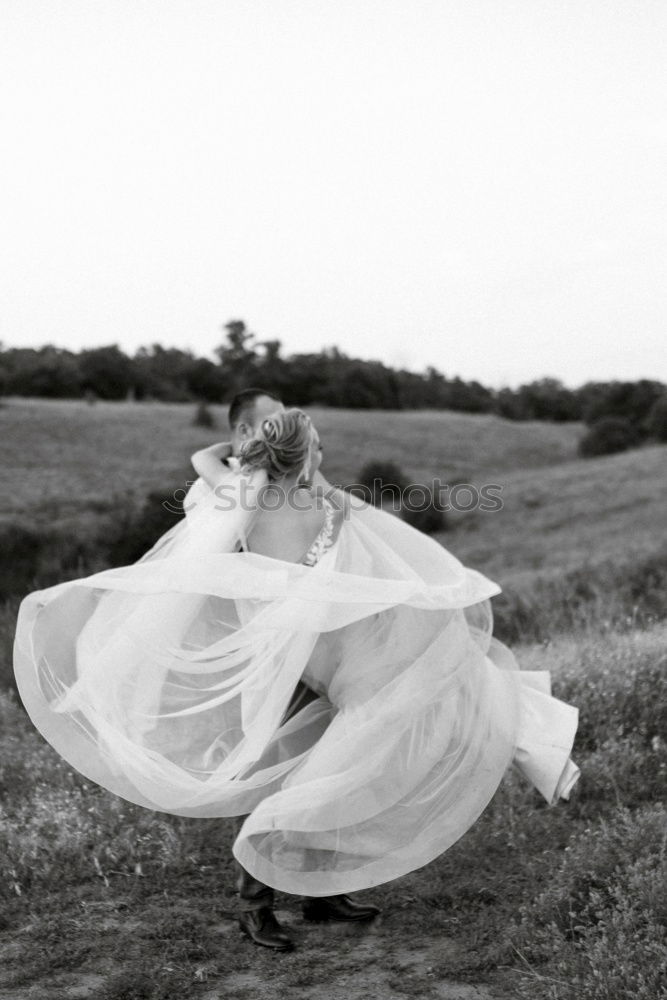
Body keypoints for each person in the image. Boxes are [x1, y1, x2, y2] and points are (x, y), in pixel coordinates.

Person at [13, 404, 580, 957]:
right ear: (301, 454)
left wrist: (244, 452)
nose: (322, 454)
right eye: (316, 446)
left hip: (331, 655)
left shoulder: (308, 494)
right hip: (281, 658)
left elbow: (205, 458)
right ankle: (252, 903)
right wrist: (253, 458)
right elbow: (216, 471)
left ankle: (321, 892)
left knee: (329, 760)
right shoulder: (249, 497)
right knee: (275, 768)